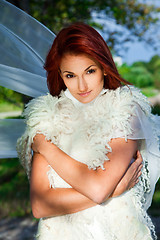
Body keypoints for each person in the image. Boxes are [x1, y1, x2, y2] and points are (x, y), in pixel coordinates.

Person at [17, 23, 160, 240]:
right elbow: (40, 206)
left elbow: (98, 189)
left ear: (104, 66)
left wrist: (46, 146)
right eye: (70, 75)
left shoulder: (126, 108)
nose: (82, 86)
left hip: (118, 232)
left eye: (90, 71)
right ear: (60, 75)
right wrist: (116, 190)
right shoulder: (45, 116)